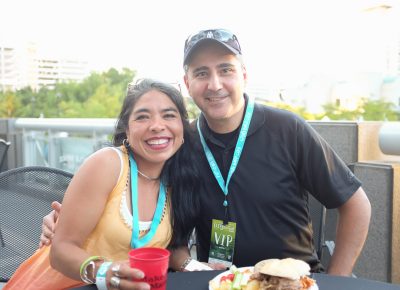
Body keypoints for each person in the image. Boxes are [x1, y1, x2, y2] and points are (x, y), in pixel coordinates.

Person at [40, 29, 371, 276]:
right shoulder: (183, 145)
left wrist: (337, 282)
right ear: (187, 83)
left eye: (225, 69)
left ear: (244, 74)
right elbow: (167, 230)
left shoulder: (287, 128)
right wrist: (65, 225)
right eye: (201, 73)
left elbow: (355, 203)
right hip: (218, 282)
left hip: (291, 280)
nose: (214, 84)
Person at [4, 79, 201, 290]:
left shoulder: (178, 178)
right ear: (127, 128)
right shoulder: (108, 164)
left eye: (169, 115)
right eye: (143, 117)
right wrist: (105, 272)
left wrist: (200, 269)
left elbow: (169, 249)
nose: (157, 126)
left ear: (182, 124)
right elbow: (60, 251)